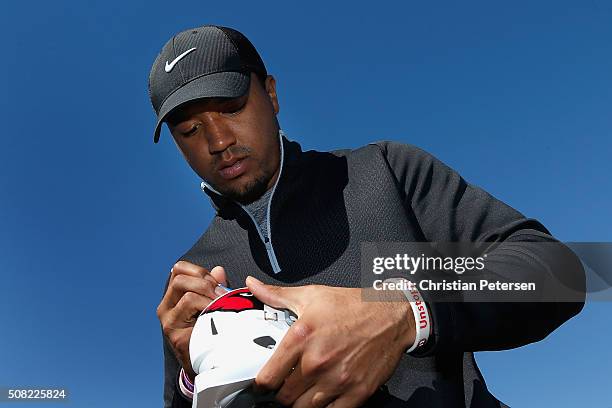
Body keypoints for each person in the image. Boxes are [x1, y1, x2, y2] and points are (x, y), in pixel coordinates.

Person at [148, 25, 585, 408]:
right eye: (190, 130)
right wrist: (194, 379)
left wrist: (404, 312)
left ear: (272, 94)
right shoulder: (194, 280)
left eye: (231, 108)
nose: (219, 140)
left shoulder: (385, 172)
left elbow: (558, 272)